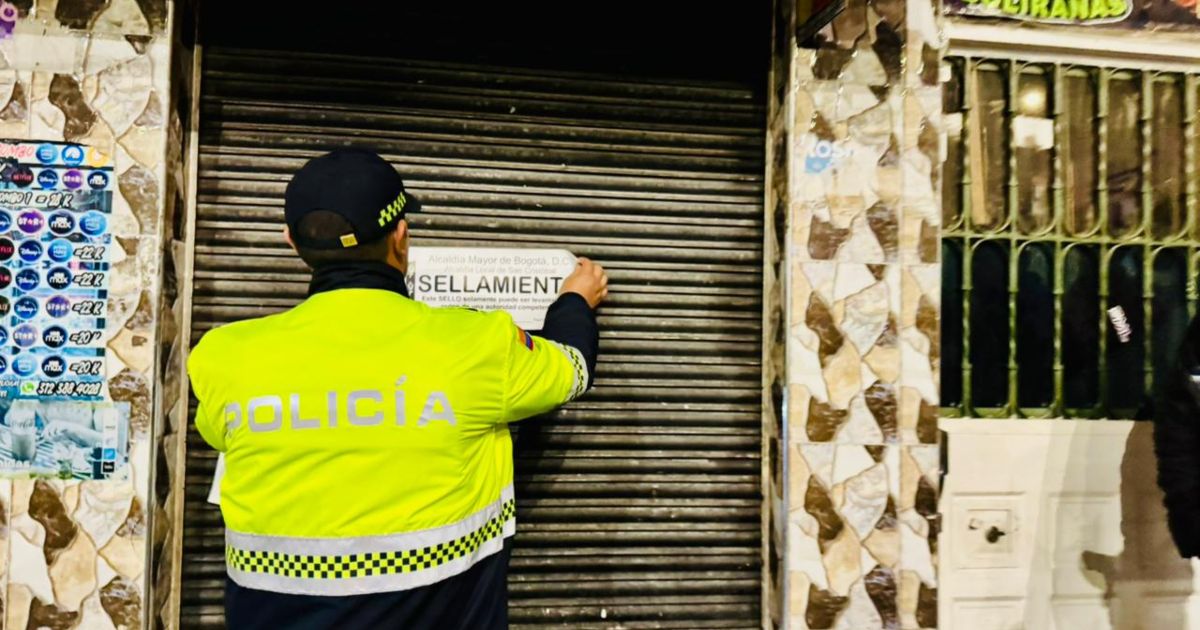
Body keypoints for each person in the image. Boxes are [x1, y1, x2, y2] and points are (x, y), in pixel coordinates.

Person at [187, 148, 607, 630]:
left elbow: (221, 435)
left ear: (291, 241)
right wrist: (574, 300)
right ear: (401, 237)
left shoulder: (223, 356)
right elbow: (572, 369)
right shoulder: (477, 343)